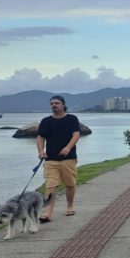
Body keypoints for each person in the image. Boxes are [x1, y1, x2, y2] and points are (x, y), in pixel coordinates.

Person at [37, 95, 81, 223]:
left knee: (70, 184)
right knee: (51, 185)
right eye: (51, 103)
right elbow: (40, 137)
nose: (54, 105)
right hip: (50, 159)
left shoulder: (72, 119)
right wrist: (41, 151)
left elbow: (76, 134)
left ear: (63, 105)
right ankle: (47, 213)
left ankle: (70, 206)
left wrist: (68, 147)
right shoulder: (46, 121)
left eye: (56, 103)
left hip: (69, 158)